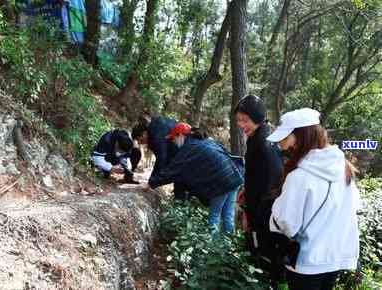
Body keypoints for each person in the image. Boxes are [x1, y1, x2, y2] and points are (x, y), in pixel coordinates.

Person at [267, 108, 360, 290]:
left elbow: (287, 223)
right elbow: (353, 206)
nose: (284, 146)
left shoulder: (299, 177)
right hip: (335, 257)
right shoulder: (343, 167)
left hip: (307, 260)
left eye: (287, 139)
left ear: (299, 137)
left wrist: (273, 210)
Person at [149, 122, 244, 234]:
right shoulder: (205, 141)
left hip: (222, 181)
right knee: (228, 215)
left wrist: (151, 183)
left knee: (215, 215)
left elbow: (172, 171)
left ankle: (213, 247)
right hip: (234, 175)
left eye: (173, 139)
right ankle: (229, 244)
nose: (173, 142)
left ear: (180, 135)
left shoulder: (189, 148)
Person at [235, 95, 284, 288]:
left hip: (264, 213)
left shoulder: (262, 143)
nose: (241, 125)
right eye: (238, 120)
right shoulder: (263, 137)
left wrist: (249, 213)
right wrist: (246, 190)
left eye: (245, 120)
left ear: (257, 117)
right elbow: (256, 179)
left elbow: (265, 184)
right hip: (266, 209)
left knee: (262, 257)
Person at [132, 116, 189, 200]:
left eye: (140, 140)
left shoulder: (156, 132)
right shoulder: (154, 132)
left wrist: (151, 183)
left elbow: (161, 158)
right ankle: (180, 200)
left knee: (181, 179)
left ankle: (181, 201)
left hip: (184, 154)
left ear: (144, 133)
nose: (141, 143)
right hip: (179, 154)